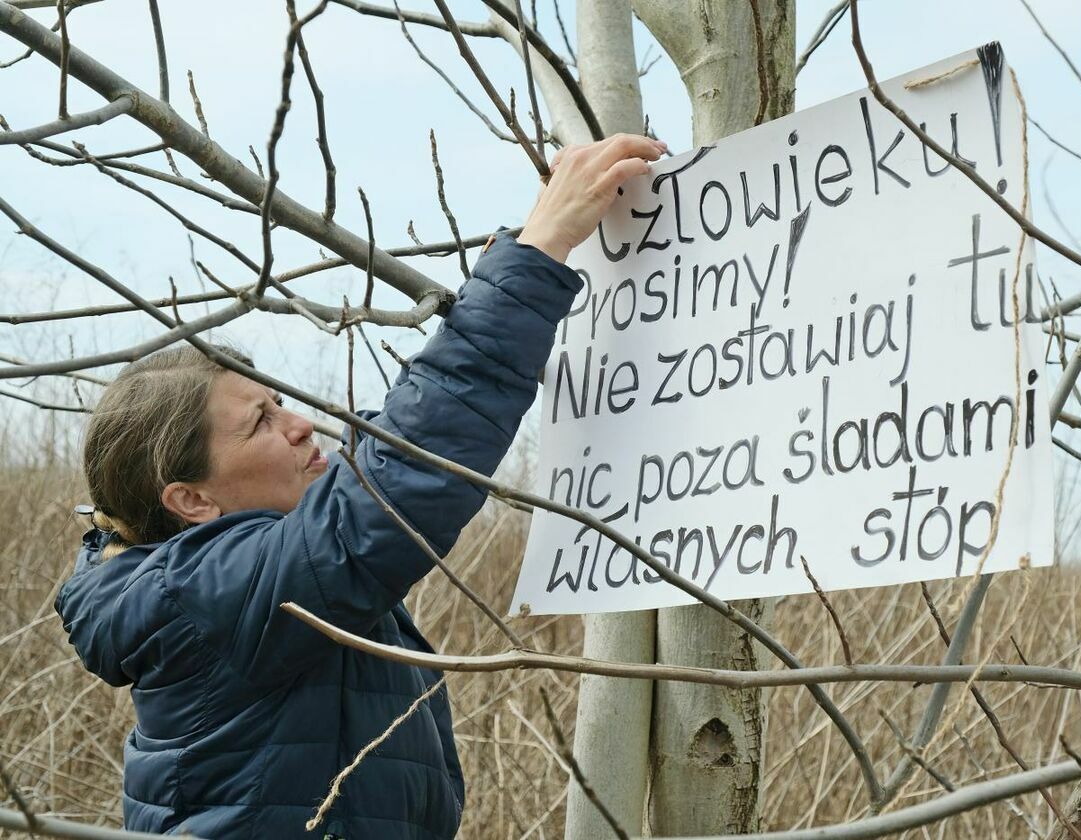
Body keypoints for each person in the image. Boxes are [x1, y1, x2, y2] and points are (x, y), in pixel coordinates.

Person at [55, 134, 667, 839]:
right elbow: (402, 480)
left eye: (279, 401)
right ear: (191, 500)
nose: (303, 427)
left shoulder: (216, 571)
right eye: (261, 422)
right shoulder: (205, 597)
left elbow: (393, 443)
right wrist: (539, 248)